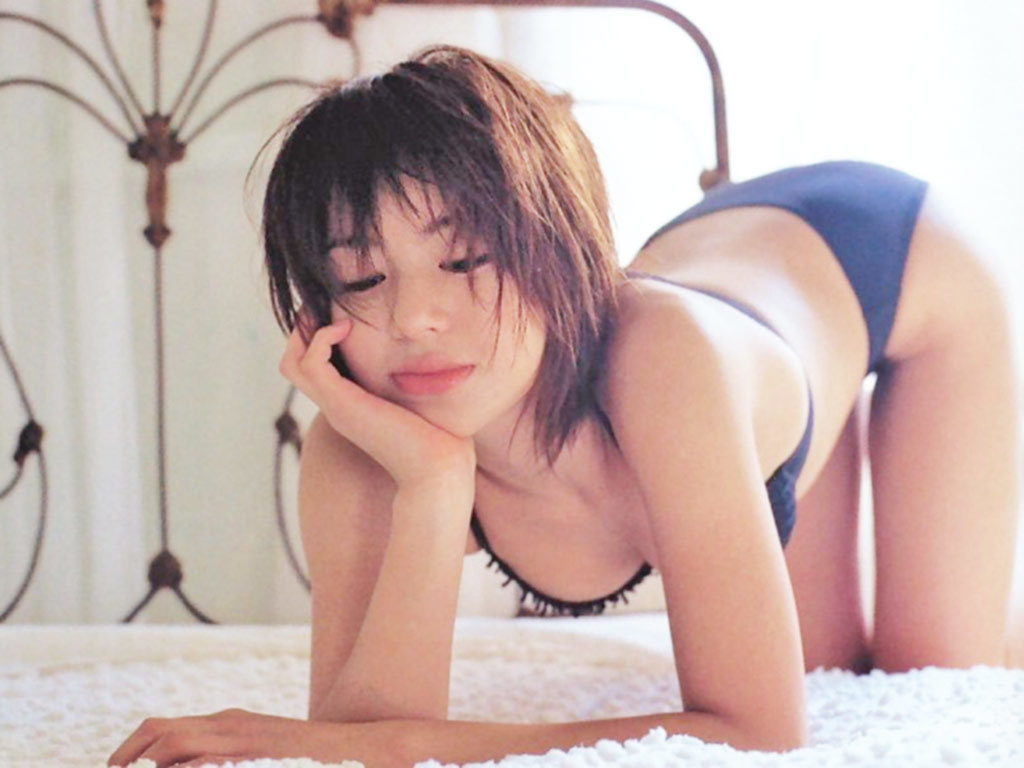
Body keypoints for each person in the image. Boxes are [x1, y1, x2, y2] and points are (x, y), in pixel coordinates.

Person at [107, 45, 1022, 768]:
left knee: (933, 664)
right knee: (833, 667)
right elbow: (356, 744)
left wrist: (423, 743)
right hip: (768, 334)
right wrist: (434, 483)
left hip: (898, 260)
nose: (415, 318)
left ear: (552, 244)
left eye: (465, 259)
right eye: (362, 275)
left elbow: (760, 732)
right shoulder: (358, 446)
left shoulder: (665, 365)